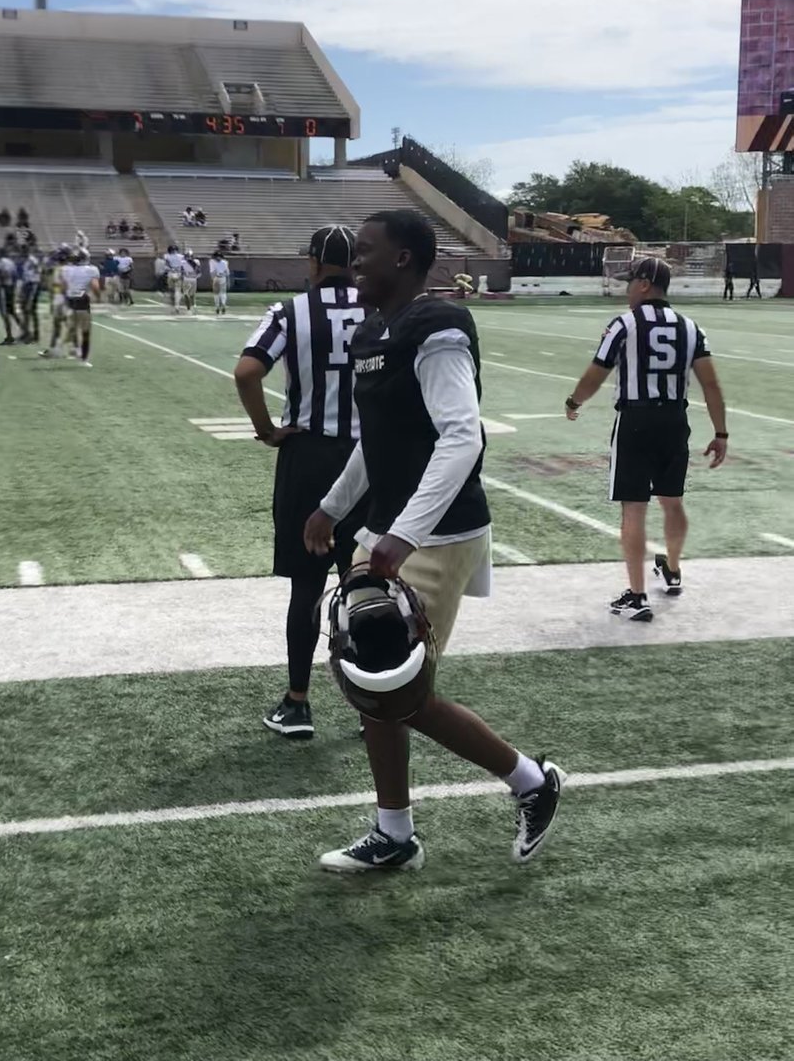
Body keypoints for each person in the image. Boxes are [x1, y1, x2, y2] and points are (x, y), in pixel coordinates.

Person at [303, 210, 564, 873]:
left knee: (396, 687)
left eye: (366, 252)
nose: (353, 261)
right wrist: (333, 507)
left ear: (404, 259)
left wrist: (404, 534)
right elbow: (377, 439)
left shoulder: (436, 326)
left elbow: (462, 436)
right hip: (391, 529)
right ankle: (395, 832)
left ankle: (531, 781)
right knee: (371, 679)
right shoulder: (373, 331)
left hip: (437, 534)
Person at [235, 225, 366, 739]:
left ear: (313, 262)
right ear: (356, 263)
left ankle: (298, 702)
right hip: (368, 460)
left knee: (307, 587)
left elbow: (248, 372)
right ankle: (373, 704)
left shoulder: (290, 312)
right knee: (368, 585)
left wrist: (267, 430)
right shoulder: (379, 310)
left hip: (309, 456)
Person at [565, 255, 728, 621]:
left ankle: (637, 596)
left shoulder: (624, 324)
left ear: (642, 285)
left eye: (629, 283)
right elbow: (712, 384)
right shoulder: (691, 327)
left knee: (634, 507)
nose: (626, 290)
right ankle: (671, 568)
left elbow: (596, 373)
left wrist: (574, 401)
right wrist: (720, 432)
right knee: (672, 500)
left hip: (637, 418)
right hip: (675, 418)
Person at [62, 251, 100, 366]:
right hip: (82, 300)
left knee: (72, 326)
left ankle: (75, 348)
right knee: (85, 331)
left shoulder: (66, 269)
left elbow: (63, 286)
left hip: (69, 300)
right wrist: (98, 297)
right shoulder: (91, 269)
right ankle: (83, 359)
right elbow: (95, 286)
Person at [0, 249, 23, 345]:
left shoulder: (0, 263)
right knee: (12, 311)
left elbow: (2, 274)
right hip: (10, 288)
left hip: (2, 288)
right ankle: (26, 331)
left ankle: (9, 336)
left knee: (5, 313)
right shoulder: (11, 262)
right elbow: (15, 275)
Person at [19, 247, 41, 344]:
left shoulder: (33, 261)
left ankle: (35, 334)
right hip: (27, 285)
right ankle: (26, 333)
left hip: (32, 285)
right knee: (25, 310)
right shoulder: (26, 261)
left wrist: (32, 294)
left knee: (31, 310)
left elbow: (37, 275)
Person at [163, 244, 184, 313]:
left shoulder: (166, 256)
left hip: (170, 274)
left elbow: (166, 266)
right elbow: (183, 266)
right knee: (178, 290)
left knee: (171, 290)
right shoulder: (181, 257)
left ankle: (173, 304)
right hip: (178, 273)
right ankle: (177, 306)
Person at [209, 250, 230, 315]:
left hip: (217, 277)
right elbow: (227, 273)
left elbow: (212, 272)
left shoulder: (212, 262)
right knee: (222, 292)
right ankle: (221, 305)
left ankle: (218, 306)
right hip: (222, 277)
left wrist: (213, 279)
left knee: (217, 293)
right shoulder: (224, 262)